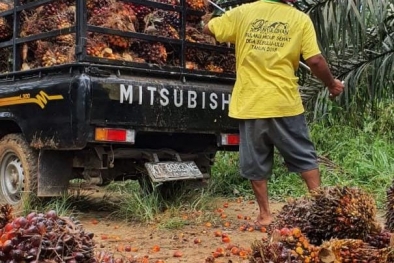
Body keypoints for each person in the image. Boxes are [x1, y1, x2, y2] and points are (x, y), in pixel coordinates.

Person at [203, 0, 344, 227]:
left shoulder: (243, 13)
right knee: (304, 156)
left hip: (251, 103)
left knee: (256, 161)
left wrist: (208, 17)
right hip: (284, 102)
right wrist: (331, 84)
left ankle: (265, 215)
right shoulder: (300, 19)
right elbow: (315, 60)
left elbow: (210, 28)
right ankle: (322, 209)